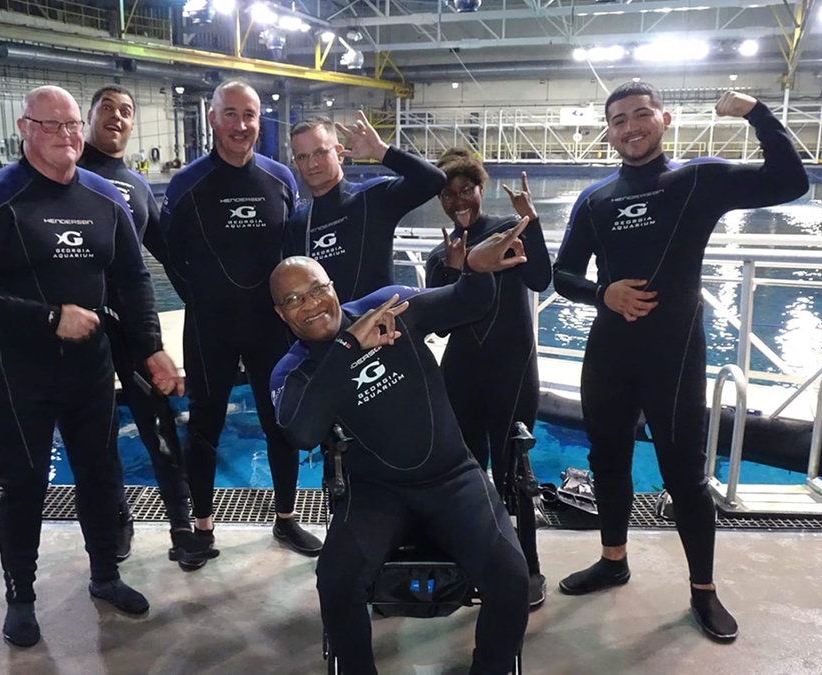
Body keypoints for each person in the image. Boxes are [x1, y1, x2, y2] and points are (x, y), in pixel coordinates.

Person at [551, 83, 809, 642]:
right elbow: (563, 274)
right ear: (609, 131)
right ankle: (613, 559)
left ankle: (703, 591)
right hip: (610, 352)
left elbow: (792, 181)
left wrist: (756, 114)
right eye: (618, 120)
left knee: (685, 476)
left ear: (663, 120)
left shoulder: (698, 180)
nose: (630, 127)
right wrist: (604, 294)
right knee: (608, 460)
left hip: (674, 352)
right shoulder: (595, 199)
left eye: (641, 115)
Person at [0, 69, 209, 571]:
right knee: (34, 477)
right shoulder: (25, 184)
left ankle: (149, 544)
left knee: (127, 454)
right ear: (28, 127)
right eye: (53, 124)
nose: (67, 133)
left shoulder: (122, 192)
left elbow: (144, 271)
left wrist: (163, 335)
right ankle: (51, 577)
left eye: (71, 124)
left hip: (107, 347)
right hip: (36, 358)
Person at [269, 218, 534, 675]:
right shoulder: (292, 371)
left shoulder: (385, 306)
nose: (310, 305)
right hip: (377, 493)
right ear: (281, 315)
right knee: (336, 582)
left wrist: (475, 268)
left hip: (454, 477)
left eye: (316, 290)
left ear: (332, 287)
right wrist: (350, 346)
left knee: (512, 579)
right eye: (293, 301)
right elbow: (302, 433)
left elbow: (468, 303)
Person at [159, 80, 321, 558]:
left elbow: (296, 253)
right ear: (213, 119)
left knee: (280, 423)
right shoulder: (187, 184)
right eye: (230, 114)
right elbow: (169, 255)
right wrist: (204, 298)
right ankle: (203, 528)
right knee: (205, 426)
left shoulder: (279, 179)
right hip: (211, 326)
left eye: (249, 115)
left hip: (271, 326)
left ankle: (287, 520)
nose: (241, 125)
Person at [423, 149, 551, 609]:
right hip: (461, 373)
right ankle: (476, 564)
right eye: (448, 193)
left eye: (467, 189)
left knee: (516, 474)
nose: (459, 201)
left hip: (512, 368)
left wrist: (531, 223)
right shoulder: (442, 252)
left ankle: (528, 567)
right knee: (469, 477)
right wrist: (457, 272)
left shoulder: (507, 230)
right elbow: (438, 325)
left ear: (481, 188)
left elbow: (540, 278)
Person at [285, 112, 445, 300]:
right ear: (295, 163)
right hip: (329, 328)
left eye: (320, 152)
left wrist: (381, 151)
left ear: (339, 153)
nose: (312, 163)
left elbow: (434, 180)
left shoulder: (374, 197)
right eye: (302, 157)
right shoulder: (298, 222)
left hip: (378, 326)